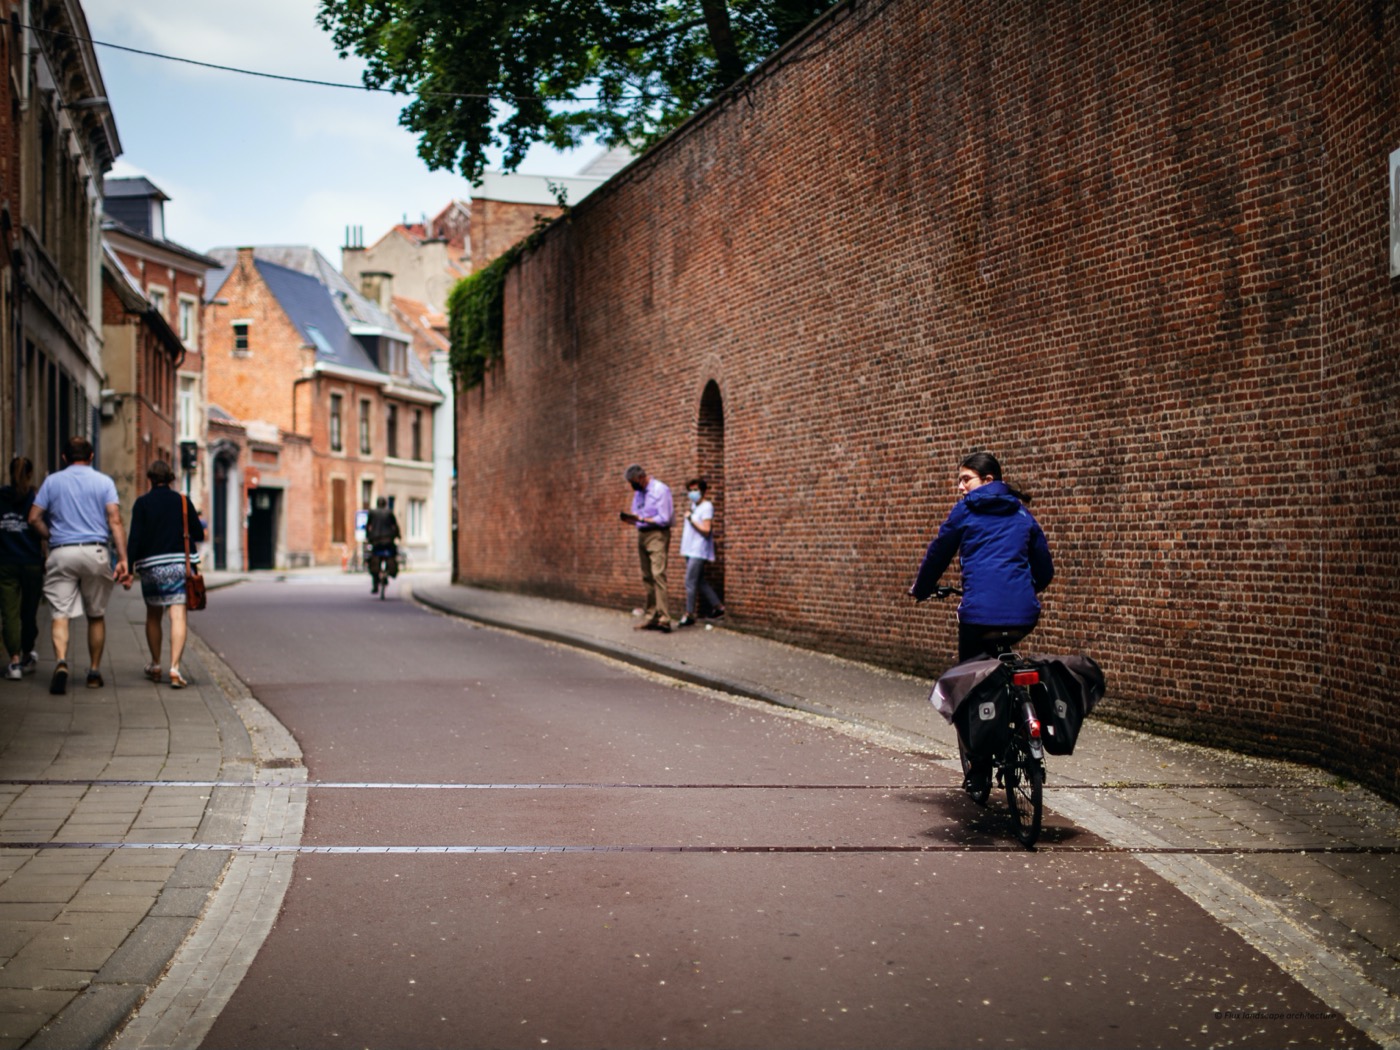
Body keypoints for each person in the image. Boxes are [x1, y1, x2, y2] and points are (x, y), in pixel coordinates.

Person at [908, 452, 1053, 790]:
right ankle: (1022, 723)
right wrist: (1023, 590)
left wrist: (922, 588)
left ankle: (979, 768)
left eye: (965, 479)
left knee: (966, 684)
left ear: (988, 481)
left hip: (978, 618)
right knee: (1005, 664)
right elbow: (1045, 569)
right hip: (1024, 615)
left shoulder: (966, 511)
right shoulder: (1022, 513)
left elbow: (938, 553)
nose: (960, 487)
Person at [27, 436, 129, 694]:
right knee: (96, 615)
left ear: (64, 457)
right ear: (91, 456)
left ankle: (61, 662)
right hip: (95, 551)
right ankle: (93, 672)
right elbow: (115, 520)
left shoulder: (52, 482)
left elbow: (33, 517)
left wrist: (51, 535)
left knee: (60, 614)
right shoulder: (104, 482)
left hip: (62, 552)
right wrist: (123, 559)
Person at [127, 461, 205, 689]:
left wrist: (128, 568)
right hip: (178, 566)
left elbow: (134, 538)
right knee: (177, 615)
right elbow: (198, 533)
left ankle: (155, 664)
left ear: (150, 479)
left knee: (153, 615)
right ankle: (175, 668)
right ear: (171, 478)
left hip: (151, 567)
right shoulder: (182, 501)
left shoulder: (142, 503)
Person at [0, 456, 43, 680]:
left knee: (9, 613)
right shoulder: (35, 499)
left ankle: (14, 661)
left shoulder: (1, 497)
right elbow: (42, 526)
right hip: (31, 562)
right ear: (30, 474)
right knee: (29, 612)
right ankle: (27, 652)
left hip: (6, 562)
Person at [621, 464, 673, 632]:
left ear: (641, 477)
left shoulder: (660, 490)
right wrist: (632, 519)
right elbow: (636, 512)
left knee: (658, 574)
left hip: (657, 534)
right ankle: (652, 616)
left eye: (633, 481)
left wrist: (643, 519)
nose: (632, 485)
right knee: (647, 576)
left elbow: (665, 518)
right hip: (642, 534)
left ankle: (664, 618)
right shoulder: (639, 493)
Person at [676, 477, 724, 628]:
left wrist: (691, 519)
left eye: (695, 490)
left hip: (698, 550)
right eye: (690, 490)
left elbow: (706, 530)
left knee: (690, 581)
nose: (692, 493)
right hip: (689, 549)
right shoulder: (694, 506)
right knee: (699, 581)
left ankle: (689, 614)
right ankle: (718, 607)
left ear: (703, 491)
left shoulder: (707, 506)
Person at [365, 497, 400, 594]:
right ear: (385, 504)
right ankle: (389, 572)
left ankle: (375, 584)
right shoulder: (389, 512)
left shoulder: (372, 512)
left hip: (376, 540)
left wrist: (368, 537)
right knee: (393, 555)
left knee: (373, 559)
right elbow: (395, 526)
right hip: (388, 540)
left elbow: (368, 526)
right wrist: (398, 535)